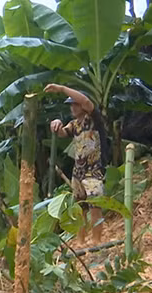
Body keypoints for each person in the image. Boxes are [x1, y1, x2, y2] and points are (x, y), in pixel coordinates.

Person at [46, 83, 109, 245]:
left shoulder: (94, 118)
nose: (73, 107)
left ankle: (97, 241)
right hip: (78, 172)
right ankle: (81, 241)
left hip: (94, 169)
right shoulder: (74, 125)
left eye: (75, 104)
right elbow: (61, 133)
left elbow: (86, 101)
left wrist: (61, 89)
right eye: (70, 105)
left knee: (95, 206)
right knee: (80, 207)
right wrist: (56, 123)